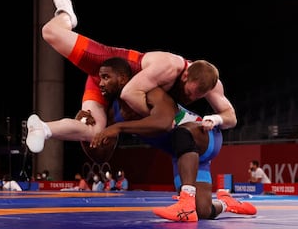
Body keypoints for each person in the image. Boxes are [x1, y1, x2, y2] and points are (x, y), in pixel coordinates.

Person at [26, 0, 236, 154]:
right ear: (185, 75)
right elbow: (128, 93)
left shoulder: (211, 83)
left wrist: (216, 119)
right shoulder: (168, 66)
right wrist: (159, 118)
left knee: (94, 132)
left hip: (112, 87)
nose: (190, 98)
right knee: (50, 32)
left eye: (197, 97)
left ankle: (43, 129)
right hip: (113, 68)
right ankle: (66, 15)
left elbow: (231, 117)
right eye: (190, 92)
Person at [89, 57, 256, 222]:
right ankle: (226, 203)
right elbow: (101, 154)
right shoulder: (112, 114)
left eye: (106, 77)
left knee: (180, 133)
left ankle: (185, 201)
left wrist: (118, 128)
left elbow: (164, 123)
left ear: (123, 78)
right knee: (203, 211)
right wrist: (87, 126)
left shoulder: (152, 93)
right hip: (185, 156)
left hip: (205, 136)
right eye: (101, 78)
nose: (101, 83)